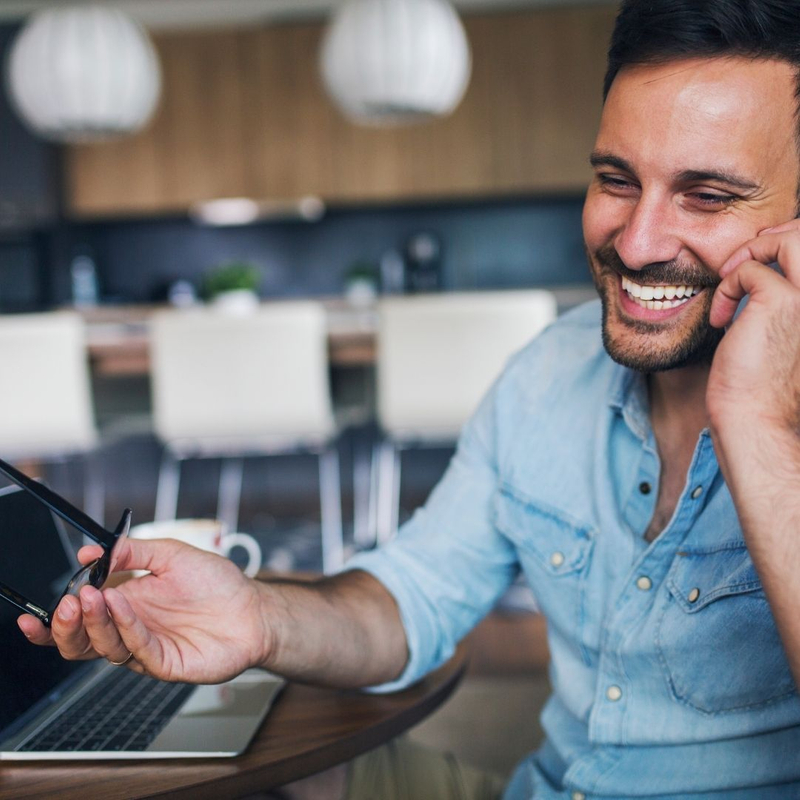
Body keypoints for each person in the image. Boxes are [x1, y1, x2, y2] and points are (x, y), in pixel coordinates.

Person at [19, 0, 800, 796]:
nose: (636, 242)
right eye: (615, 180)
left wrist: (758, 426)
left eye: (706, 196)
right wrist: (256, 616)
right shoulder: (547, 371)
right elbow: (411, 600)